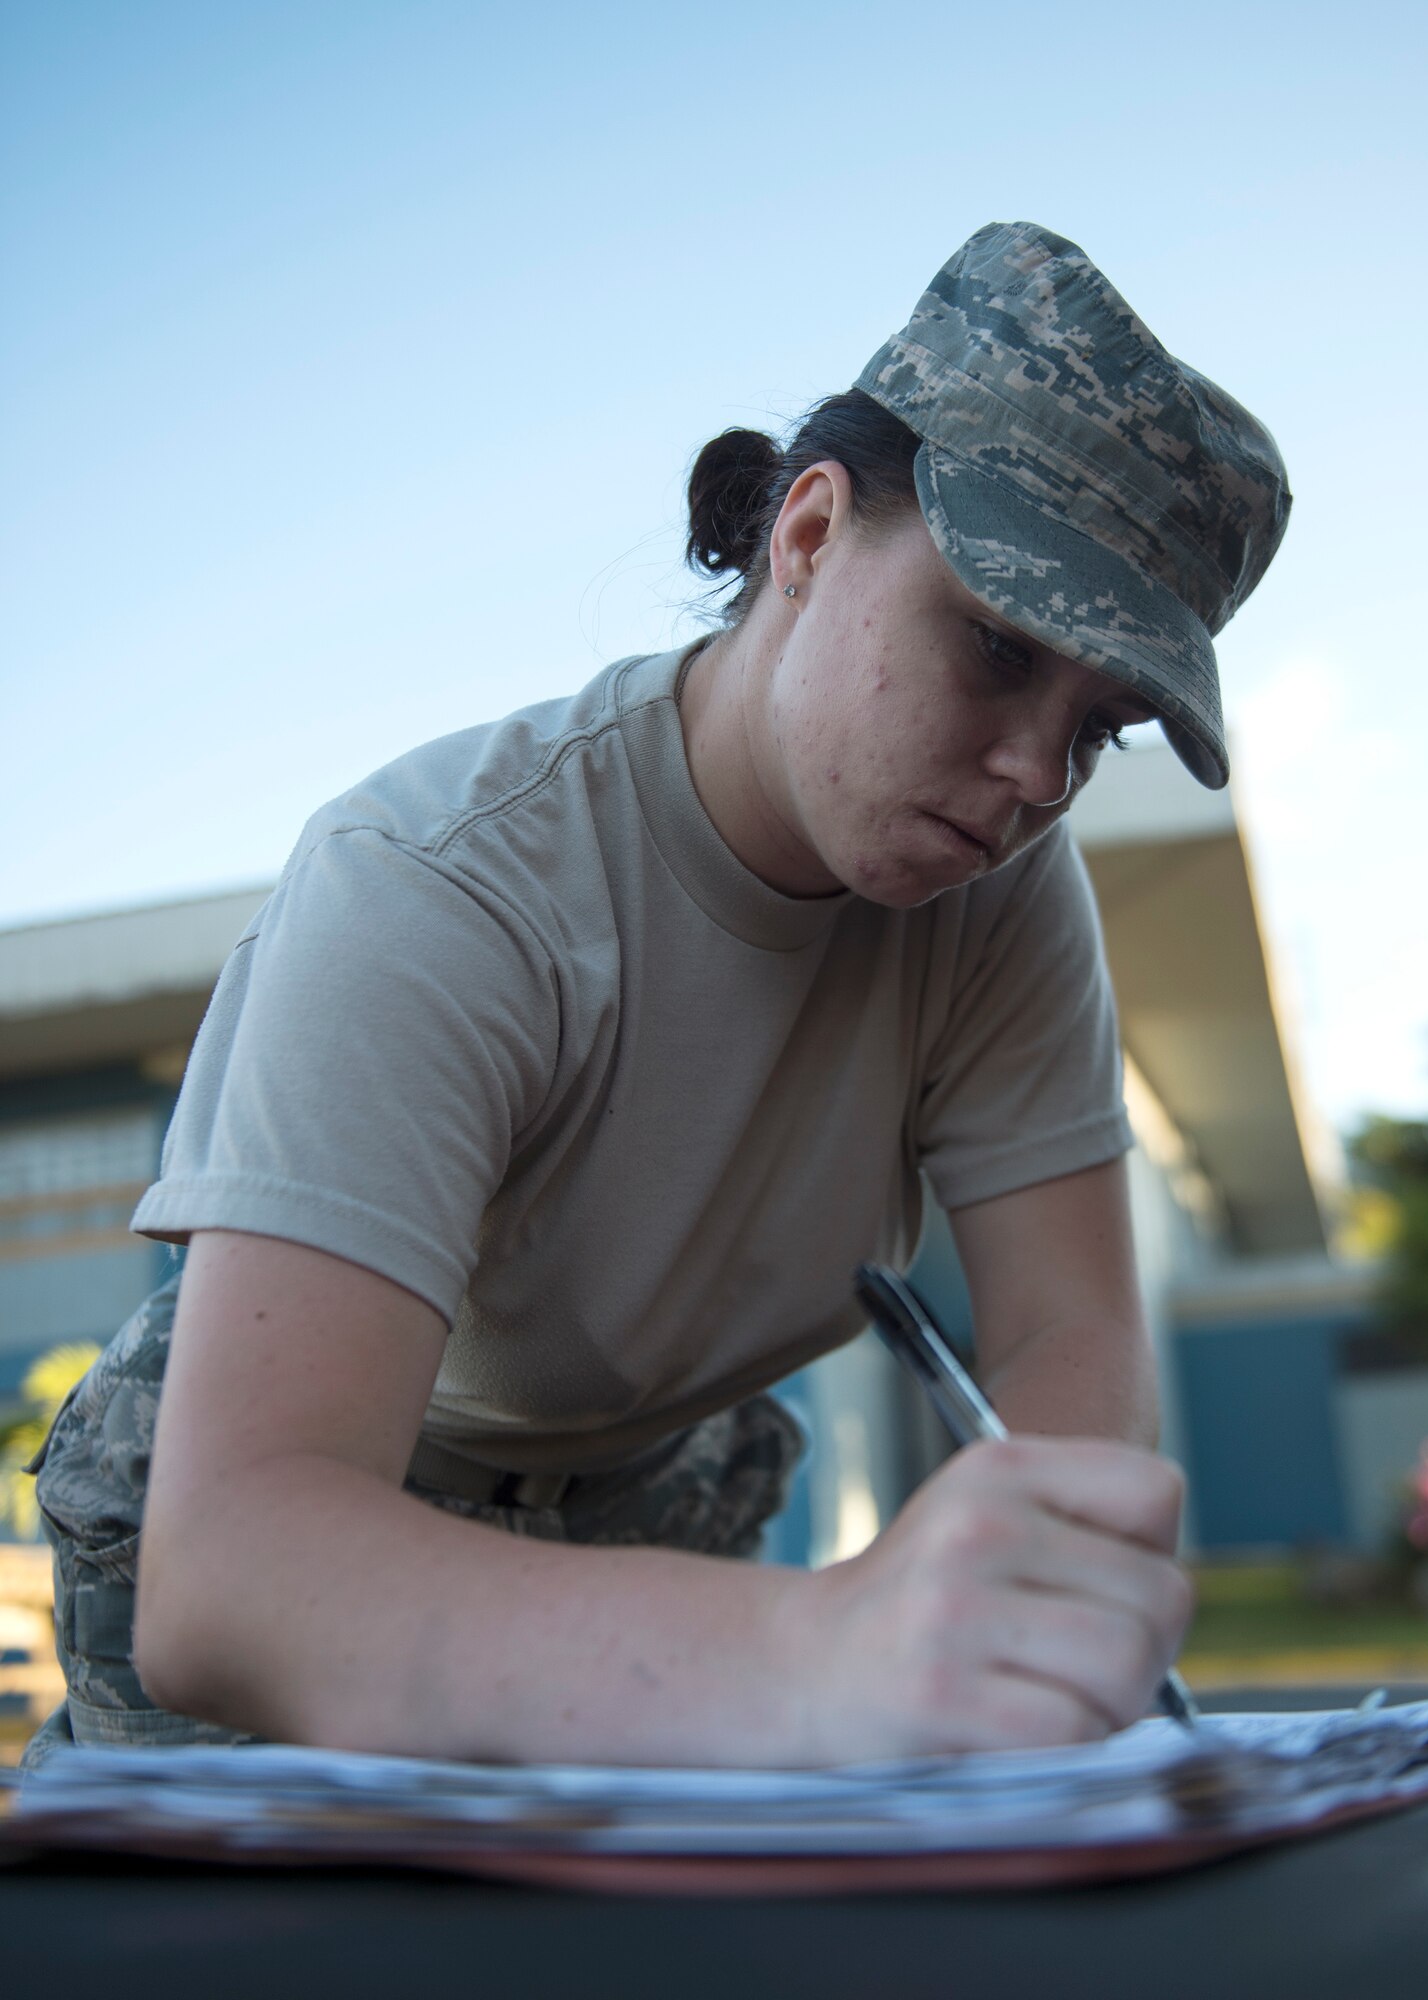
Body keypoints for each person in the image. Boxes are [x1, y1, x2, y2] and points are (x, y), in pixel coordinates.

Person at [24, 222, 1290, 1773]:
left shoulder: (1003, 900)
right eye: (995, 646)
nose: (1037, 773)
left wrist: (1044, 1630)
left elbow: (1070, 1339)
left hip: (660, 1496)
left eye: (1104, 728)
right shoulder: (442, 882)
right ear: (809, 536)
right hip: (320, 1518)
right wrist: (828, 1652)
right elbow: (238, 1578)